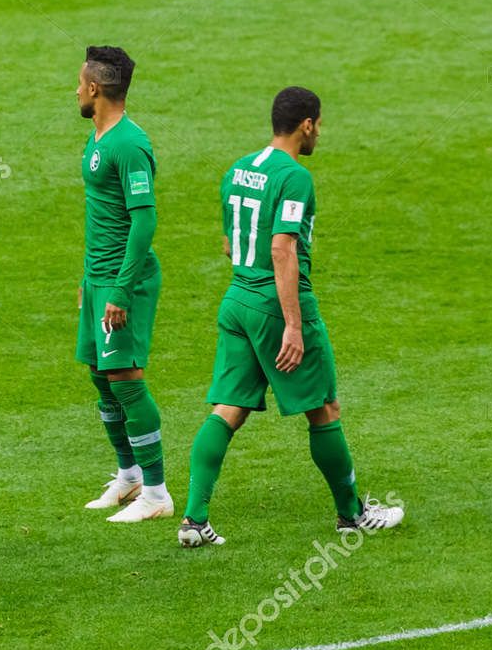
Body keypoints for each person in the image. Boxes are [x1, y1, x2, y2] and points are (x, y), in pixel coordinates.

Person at [177, 87, 405, 546]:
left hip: (237, 300)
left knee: (229, 409)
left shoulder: (237, 169)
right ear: (306, 125)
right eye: (319, 124)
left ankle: (194, 521)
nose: (320, 132)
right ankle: (351, 515)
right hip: (275, 306)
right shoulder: (295, 177)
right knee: (324, 409)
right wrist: (293, 325)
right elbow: (282, 248)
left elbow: (229, 244)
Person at [75, 45, 171, 523]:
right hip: (98, 279)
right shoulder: (97, 138)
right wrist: (89, 280)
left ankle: (156, 493)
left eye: (79, 83)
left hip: (121, 281)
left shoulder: (129, 144)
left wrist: (118, 289)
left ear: (95, 88)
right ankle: (129, 474)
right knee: (100, 374)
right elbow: (103, 217)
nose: (75, 90)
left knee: (125, 379)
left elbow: (144, 221)